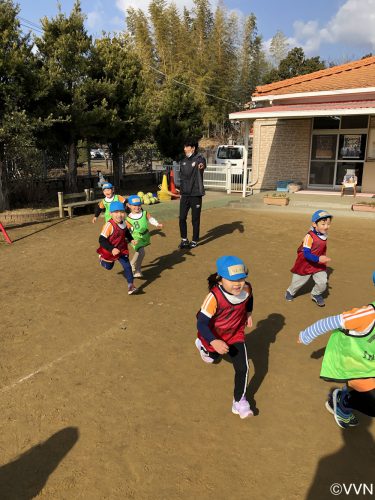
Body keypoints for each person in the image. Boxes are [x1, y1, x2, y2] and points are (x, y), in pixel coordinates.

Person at [298, 272, 375, 429]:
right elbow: (333, 321)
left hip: (369, 360)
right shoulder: (367, 315)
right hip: (354, 363)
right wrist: (306, 335)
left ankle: (348, 393)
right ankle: (342, 402)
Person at [195, 256, 254, 419]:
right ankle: (203, 347)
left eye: (241, 278)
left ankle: (239, 401)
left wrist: (248, 313)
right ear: (220, 280)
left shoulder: (247, 288)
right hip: (214, 334)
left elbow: (249, 299)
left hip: (235, 333)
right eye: (232, 279)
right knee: (213, 355)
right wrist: (213, 340)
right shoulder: (213, 297)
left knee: (243, 367)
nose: (238, 283)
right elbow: (201, 324)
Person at [285, 210, 333, 307]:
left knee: (323, 282)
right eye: (323, 224)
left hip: (318, 263)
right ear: (314, 224)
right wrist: (318, 259)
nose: (326, 226)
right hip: (305, 263)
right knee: (298, 282)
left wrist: (320, 259)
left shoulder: (324, 234)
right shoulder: (309, 237)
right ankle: (290, 292)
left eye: (328, 224)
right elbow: (306, 254)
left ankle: (316, 294)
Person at [96, 201, 137, 295]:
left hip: (122, 249)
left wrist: (131, 240)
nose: (119, 215)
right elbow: (101, 240)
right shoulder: (109, 225)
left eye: (122, 212)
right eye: (116, 212)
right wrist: (112, 249)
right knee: (109, 267)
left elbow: (126, 233)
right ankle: (101, 259)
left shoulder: (125, 223)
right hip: (109, 250)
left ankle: (130, 285)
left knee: (127, 266)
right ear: (110, 213)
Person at [177, 138, 206, 249]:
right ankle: (184, 239)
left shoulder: (199, 159)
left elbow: (202, 164)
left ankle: (194, 240)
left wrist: (201, 166)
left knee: (195, 219)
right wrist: (180, 191)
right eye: (184, 147)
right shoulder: (183, 161)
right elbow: (182, 177)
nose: (184, 149)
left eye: (186, 146)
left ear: (193, 148)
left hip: (196, 194)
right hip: (184, 194)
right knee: (182, 218)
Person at [126, 194, 163, 278]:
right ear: (129, 205)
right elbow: (127, 229)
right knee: (141, 251)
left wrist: (157, 224)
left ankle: (133, 265)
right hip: (136, 237)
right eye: (134, 205)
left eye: (139, 205)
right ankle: (136, 268)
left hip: (145, 235)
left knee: (141, 253)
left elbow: (150, 219)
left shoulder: (144, 213)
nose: (137, 207)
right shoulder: (128, 219)